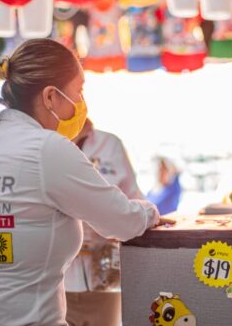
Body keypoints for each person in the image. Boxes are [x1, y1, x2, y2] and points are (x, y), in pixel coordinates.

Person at [0, 38, 170, 326]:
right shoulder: (47, 149)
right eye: (79, 91)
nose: (82, 103)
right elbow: (121, 221)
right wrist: (151, 212)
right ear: (50, 97)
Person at [65, 118, 143, 326]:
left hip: (106, 272)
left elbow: (134, 199)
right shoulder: (49, 146)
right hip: (58, 277)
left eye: (79, 90)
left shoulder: (110, 145)